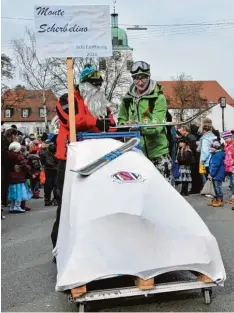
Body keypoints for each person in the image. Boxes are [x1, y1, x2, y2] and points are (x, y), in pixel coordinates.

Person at [51, 64, 116, 252]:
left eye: (99, 86)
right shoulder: (66, 99)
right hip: (70, 158)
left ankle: (95, 246)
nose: (97, 89)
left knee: (97, 202)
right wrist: (95, 122)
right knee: (67, 204)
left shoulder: (101, 103)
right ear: (84, 84)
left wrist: (110, 126)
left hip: (98, 156)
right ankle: (59, 247)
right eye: (93, 85)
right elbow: (72, 121)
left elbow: (110, 123)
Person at [118, 61, 171, 181]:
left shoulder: (159, 98)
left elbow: (158, 125)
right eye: (136, 78)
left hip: (158, 154)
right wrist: (126, 125)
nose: (140, 82)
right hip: (136, 154)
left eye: (143, 78)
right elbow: (121, 120)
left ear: (149, 77)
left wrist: (139, 127)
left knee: (162, 194)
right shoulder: (127, 100)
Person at [8, 142, 32, 213]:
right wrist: (28, 167)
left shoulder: (8, 155)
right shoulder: (19, 156)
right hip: (19, 177)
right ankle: (17, 206)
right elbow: (24, 165)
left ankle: (12, 207)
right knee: (19, 192)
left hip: (11, 177)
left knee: (13, 192)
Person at [177, 125, 201, 193]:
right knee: (193, 174)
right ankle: (194, 189)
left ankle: (195, 189)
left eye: (181, 129)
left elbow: (194, 147)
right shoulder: (187, 136)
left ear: (185, 130)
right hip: (191, 158)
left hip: (193, 159)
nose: (180, 131)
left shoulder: (190, 137)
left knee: (194, 174)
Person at [1, 128, 18, 207]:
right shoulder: (3, 141)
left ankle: (4, 201)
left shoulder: (6, 141)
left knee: (5, 184)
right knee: (3, 183)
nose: (16, 138)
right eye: (16, 136)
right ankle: (3, 202)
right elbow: (5, 155)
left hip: (6, 166)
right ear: (12, 135)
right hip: (3, 166)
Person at [207, 140, 225, 207]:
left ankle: (219, 200)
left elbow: (215, 166)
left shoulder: (216, 155)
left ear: (216, 148)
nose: (210, 149)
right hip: (217, 175)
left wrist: (211, 174)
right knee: (216, 188)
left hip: (217, 175)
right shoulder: (217, 154)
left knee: (217, 188)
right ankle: (216, 199)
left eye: (212, 147)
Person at [223, 130, 234, 205]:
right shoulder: (226, 146)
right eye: (225, 139)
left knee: (233, 182)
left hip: (233, 166)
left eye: (227, 138)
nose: (226, 140)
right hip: (228, 167)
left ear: (231, 137)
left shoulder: (233, 146)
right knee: (232, 182)